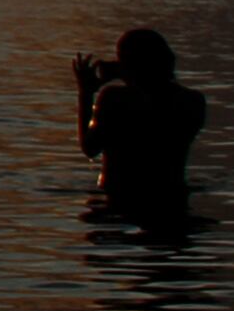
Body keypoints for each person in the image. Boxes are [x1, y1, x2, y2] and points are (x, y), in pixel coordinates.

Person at [75, 27, 207, 225]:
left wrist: (86, 93)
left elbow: (90, 149)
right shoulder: (192, 100)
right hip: (171, 200)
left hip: (119, 199)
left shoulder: (115, 98)